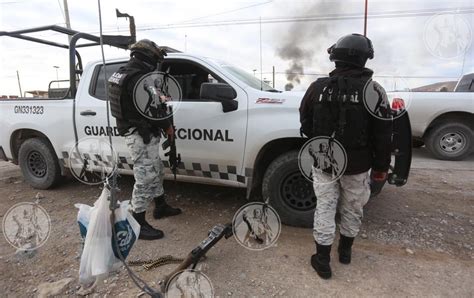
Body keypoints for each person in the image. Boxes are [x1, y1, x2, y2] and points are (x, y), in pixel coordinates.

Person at [299, 33, 392, 279]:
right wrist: (382, 167)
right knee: (353, 209)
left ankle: (322, 261)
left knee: (325, 209)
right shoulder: (375, 91)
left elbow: (305, 122)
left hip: (324, 163)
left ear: (335, 57)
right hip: (358, 166)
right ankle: (345, 253)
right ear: (365, 58)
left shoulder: (317, 87)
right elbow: (384, 134)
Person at [108, 39, 182, 240]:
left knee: (155, 169)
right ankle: (137, 221)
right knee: (145, 176)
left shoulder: (124, 73)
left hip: (139, 130)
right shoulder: (139, 78)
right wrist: (167, 126)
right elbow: (153, 109)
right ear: (149, 57)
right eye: (156, 59)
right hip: (140, 133)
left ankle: (160, 206)